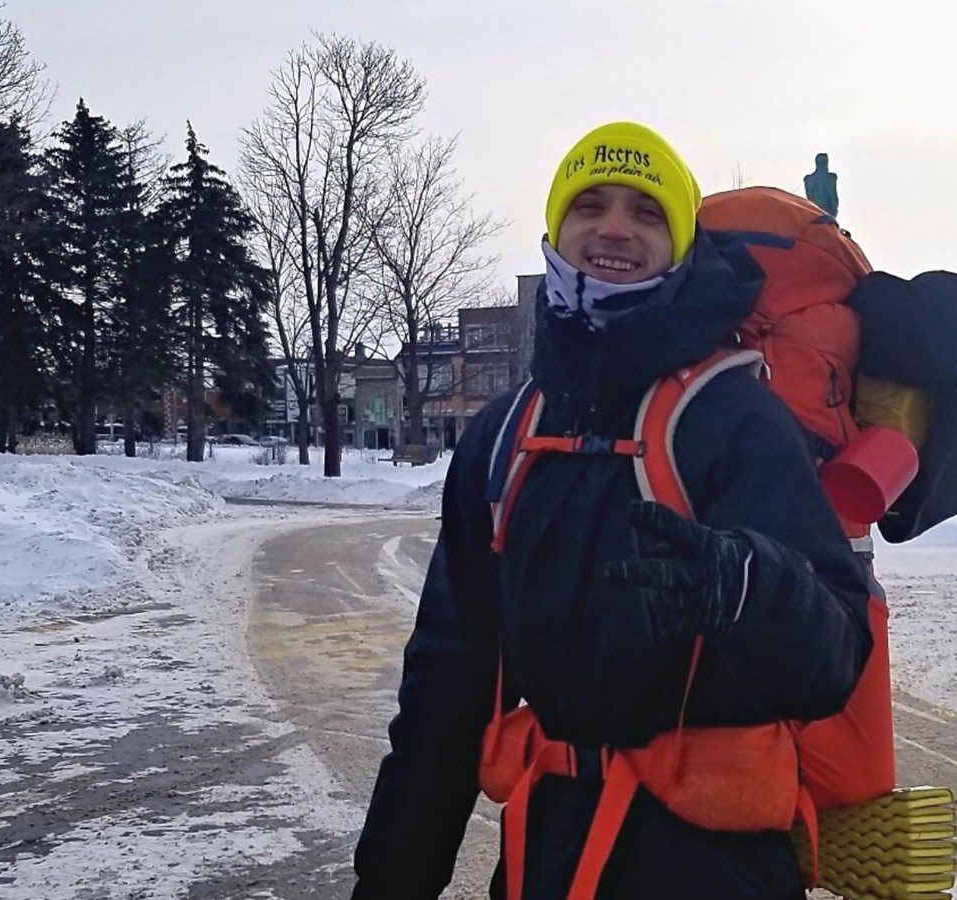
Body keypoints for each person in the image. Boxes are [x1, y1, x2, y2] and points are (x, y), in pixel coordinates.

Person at [351, 122, 873, 900]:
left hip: (717, 873)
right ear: (555, 231)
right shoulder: (506, 436)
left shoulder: (736, 418)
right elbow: (446, 693)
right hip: (549, 861)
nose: (616, 229)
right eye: (590, 205)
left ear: (682, 244)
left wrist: (749, 588)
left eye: (647, 211)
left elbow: (833, 661)